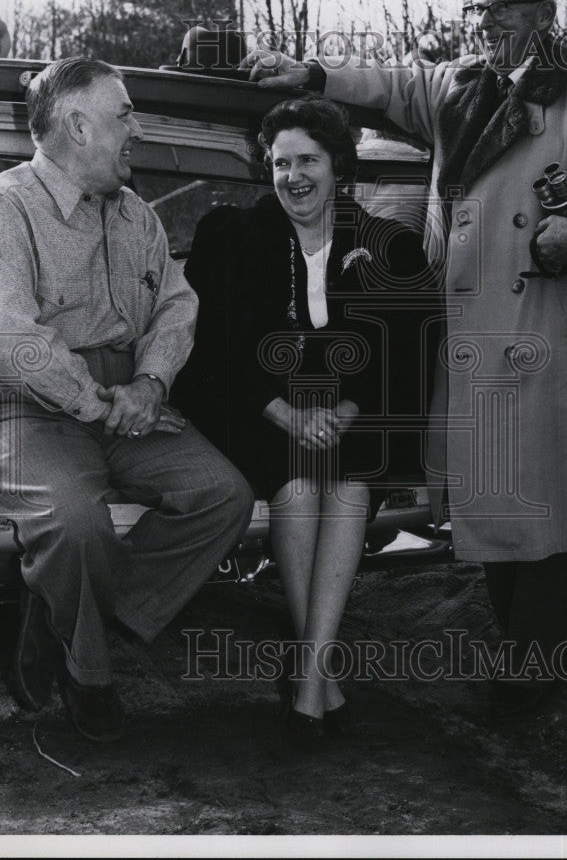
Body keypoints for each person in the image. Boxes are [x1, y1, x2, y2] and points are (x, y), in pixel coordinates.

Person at [243, 0, 567, 716]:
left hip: (550, 326)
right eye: (483, 11)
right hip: (476, 332)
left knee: (545, 499)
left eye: (507, 10)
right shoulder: (460, 85)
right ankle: (544, 638)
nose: (491, 24)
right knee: (496, 501)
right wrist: (309, 72)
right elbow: (387, 83)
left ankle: (531, 661)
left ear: (545, 14)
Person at [0, 57, 255, 742]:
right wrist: (102, 403)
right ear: (79, 125)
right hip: (4, 401)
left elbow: (176, 306)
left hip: (118, 398)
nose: (136, 128)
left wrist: (151, 383)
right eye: (125, 114)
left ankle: (77, 618)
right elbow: (8, 340)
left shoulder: (138, 216)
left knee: (222, 495)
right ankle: (90, 670)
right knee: (76, 520)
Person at [173, 95, 435, 737]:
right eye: (281, 162)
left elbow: (409, 349)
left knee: (346, 481)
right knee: (295, 483)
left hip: (354, 414)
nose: (294, 176)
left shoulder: (386, 245)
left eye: (308, 160)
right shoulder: (231, 235)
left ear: (338, 166)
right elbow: (211, 349)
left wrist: (350, 406)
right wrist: (281, 411)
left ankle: (310, 677)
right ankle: (320, 681)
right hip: (255, 409)